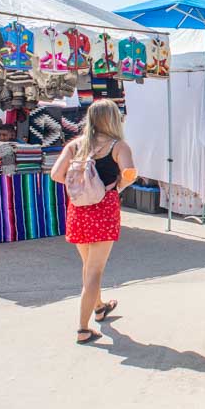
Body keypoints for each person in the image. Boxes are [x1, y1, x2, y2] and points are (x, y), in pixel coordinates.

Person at [51, 99, 136, 345]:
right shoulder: (118, 146)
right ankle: (82, 328)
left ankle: (99, 307)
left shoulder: (75, 145)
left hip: (78, 209)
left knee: (88, 265)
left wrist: (82, 186)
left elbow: (56, 174)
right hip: (104, 209)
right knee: (94, 272)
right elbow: (130, 173)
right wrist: (118, 185)